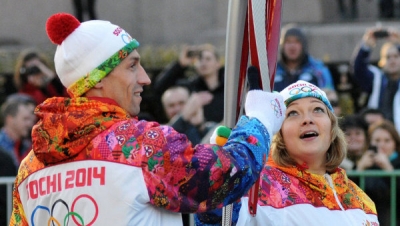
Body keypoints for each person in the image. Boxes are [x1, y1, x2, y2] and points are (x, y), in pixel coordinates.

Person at [9, 13, 286, 226]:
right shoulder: (136, 145)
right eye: (132, 66)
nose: (145, 78)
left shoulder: (30, 168)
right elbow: (223, 177)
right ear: (98, 80)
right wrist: (259, 122)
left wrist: (215, 151)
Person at [196, 80, 379, 226]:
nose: (307, 119)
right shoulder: (259, 185)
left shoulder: (360, 199)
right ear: (279, 134)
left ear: (332, 129)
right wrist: (224, 169)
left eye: (317, 109)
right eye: (292, 113)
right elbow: (213, 219)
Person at [153, 43, 224, 124]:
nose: (203, 63)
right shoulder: (191, 86)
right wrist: (180, 64)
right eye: (200, 59)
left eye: (208, 59)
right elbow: (160, 87)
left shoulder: (228, 88)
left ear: (218, 63)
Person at [351, 27, 400, 132]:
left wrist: (398, 44)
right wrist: (366, 46)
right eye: (388, 57)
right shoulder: (376, 79)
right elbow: (358, 69)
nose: (392, 60)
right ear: (382, 61)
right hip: (377, 134)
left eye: (396, 56)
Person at [356, 120, 400, 226]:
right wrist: (359, 168)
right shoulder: (364, 163)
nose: (381, 144)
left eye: (387, 140)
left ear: (395, 143)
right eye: (377, 140)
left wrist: (388, 168)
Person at [273, 24, 335, 92]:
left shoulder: (318, 70)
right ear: (282, 45)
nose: (292, 46)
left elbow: (329, 94)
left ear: (303, 45)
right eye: (288, 41)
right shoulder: (273, 72)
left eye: (297, 42)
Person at [0, 93, 37, 168]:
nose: (30, 124)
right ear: (10, 119)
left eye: (32, 120)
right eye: (25, 119)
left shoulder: (28, 146)